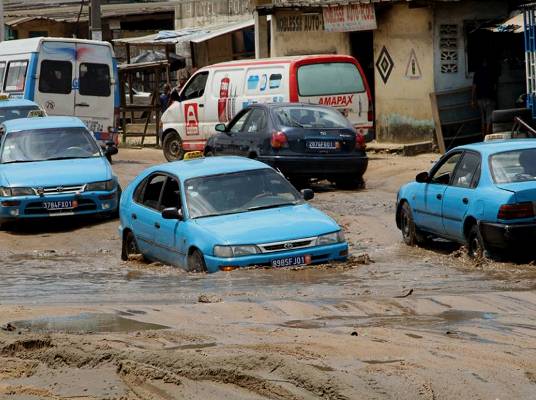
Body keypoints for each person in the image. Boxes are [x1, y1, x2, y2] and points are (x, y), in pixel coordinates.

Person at [472, 58, 498, 136]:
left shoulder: (477, 73)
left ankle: (483, 136)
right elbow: (495, 87)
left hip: (480, 98)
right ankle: (487, 135)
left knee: (483, 119)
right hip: (490, 98)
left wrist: (473, 99)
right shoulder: (492, 72)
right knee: (489, 118)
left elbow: (474, 87)